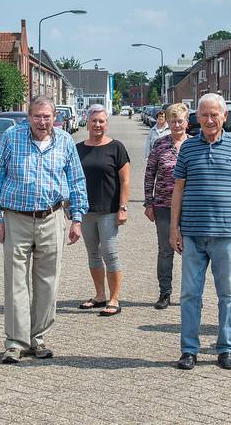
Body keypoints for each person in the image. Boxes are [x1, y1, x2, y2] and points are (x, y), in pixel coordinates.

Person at [0, 95, 88, 364]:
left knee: (48, 281)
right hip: (16, 218)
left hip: (52, 217)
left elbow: (77, 181)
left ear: (55, 117)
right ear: (28, 117)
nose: (42, 122)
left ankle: (37, 338)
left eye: (47, 116)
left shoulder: (65, 141)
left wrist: (77, 219)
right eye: (37, 116)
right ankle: (15, 342)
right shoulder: (12, 137)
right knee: (16, 281)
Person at [171, 93, 231, 371]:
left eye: (214, 115)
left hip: (227, 233)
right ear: (197, 117)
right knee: (189, 294)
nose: (209, 120)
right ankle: (189, 350)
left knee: (228, 294)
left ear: (224, 116)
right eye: (204, 115)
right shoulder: (187, 148)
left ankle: (226, 348)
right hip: (193, 233)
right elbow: (178, 189)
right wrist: (174, 228)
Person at [75, 104, 131, 316]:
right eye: (94, 121)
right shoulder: (78, 149)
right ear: (87, 122)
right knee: (93, 253)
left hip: (109, 210)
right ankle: (100, 295)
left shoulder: (116, 148)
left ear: (106, 124)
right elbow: (72, 178)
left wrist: (123, 208)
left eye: (101, 121)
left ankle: (114, 299)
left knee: (110, 253)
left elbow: (125, 181)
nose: (97, 124)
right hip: (86, 210)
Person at [143, 102, 189, 310]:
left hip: (190, 207)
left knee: (191, 252)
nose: (176, 125)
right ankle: (165, 293)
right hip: (163, 205)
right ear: (167, 123)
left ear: (186, 122)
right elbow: (150, 174)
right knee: (165, 250)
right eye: (173, 121)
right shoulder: (160, 144)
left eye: (180, 121)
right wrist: (149, 202)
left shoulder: (194, 145)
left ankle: (190, 294)